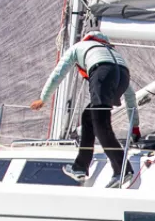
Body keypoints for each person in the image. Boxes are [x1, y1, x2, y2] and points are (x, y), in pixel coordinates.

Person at [30, 31, 139, 188]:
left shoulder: (79, 47)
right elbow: (130, 96)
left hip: (102, 73)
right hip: (122, 75)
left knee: (101, 124)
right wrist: (134, 126)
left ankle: (122, 170)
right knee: (89, 117)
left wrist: (43, 98)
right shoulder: (112, 53)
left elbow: (57, 74)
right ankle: (80, 167)